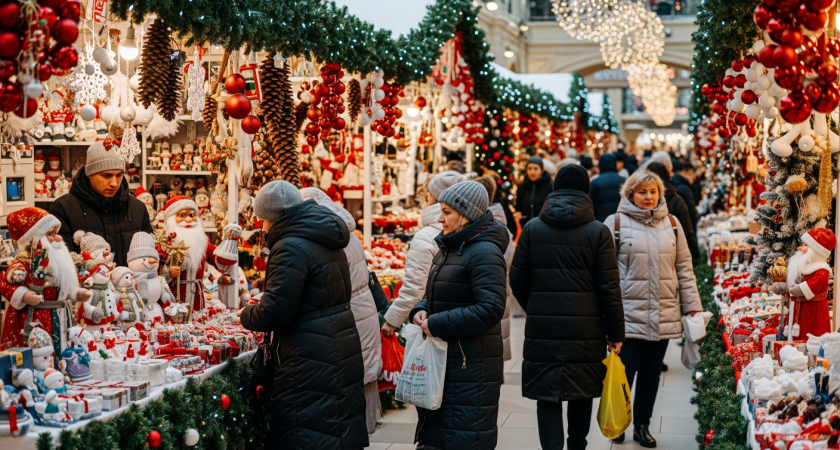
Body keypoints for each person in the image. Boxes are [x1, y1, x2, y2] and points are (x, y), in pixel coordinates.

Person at [238, 181, 368, 449]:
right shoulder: (324, 235)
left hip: (308, 352)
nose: (261, 226)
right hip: (337, 342)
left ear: (271, 217)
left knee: (306, 429)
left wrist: (246, 314)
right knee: (334, 425)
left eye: (262, 219)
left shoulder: (289, 246)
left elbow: (275, 312)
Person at [510, 165, 624, 450]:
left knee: (546, 393)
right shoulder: (599, 232)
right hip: (586, 327)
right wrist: (616, 332)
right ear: (587, 190)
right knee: (581, 390)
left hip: (543, 326)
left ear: (555, 188)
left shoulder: (533, 228)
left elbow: (517, 278)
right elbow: (609, 287)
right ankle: (577, 445)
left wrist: (535, 306)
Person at [605, 171, 703, 448]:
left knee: (650, 372)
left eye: (653, 192)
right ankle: (619, 421)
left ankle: (642, 425)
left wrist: (692, 307)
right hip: (627, 313)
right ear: (630, 194)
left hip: (663, 310)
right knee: (626, 369)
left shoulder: (672, 224)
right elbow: (604, 273)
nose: (648, 197)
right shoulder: (614, 223)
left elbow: (684, 268)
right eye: (642, 192)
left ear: (660, 194)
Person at [409, 181, 508, 449]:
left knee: (461, 437)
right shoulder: (452, 246)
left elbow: (490, 308)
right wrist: (421, 309)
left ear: (465, 215)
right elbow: (438, 291)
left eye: (447, 212)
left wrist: (437, 323)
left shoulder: (484, 252)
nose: (440, 218)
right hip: (447, 359)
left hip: (468, 365)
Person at [300, 187, 381, 436]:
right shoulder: (342, 230)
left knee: (352, 382)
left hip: (349, 314)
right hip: (361, 310)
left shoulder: (326, 235)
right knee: (362, 376)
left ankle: (356, 434)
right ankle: (362, 431)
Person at [382, 171, 465, 335]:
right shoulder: (470, 230)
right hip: (458, 323)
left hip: (429, 322)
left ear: (432, 198)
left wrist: (391, 322)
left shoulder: (426, 237)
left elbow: (414, 288)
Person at [0, 207, 91, 352]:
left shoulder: (57, 263)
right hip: (33, 318)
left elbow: (60, 287)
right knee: (37, 354)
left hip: (59, 317)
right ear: (34, 239)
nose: (59, 239)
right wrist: (23, 295)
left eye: (56, 233)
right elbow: (5, 285)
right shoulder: (23, 265)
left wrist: (75, 293)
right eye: (50, 234)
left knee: (60, 349)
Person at [51, 141, 153, 266]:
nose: (114, 183)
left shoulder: (137, 209)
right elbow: (60, 264)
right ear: (90, 173)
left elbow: (151, 257)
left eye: (119, 175)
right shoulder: (64, 208)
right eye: (107, 175)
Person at [160, 196, 232, 312]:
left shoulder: (203, 242)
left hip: (197, 299)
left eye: (192, 215)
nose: (189, 219)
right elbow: (153, 268)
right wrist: (167, 271)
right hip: (173, 298)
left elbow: (219, 260)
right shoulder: (165, 243)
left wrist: (230, 243)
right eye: (182, 215)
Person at [476, 175, 515, 362]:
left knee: (490, 347)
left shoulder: (489, 227)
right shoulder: (502, 226)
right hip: (500, 291)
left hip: (490, 291)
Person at [646, 162, 700, 265]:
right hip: (673, 254)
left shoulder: (643, 200)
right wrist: (694, 256)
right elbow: (687, 230)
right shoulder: (675, 198)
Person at [515, 156, 552, 229]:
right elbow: (519, 207)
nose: (532, 172)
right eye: (529, 168)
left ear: (541, 170)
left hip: (545, 227)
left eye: (536, 169)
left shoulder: (550, 185)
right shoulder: (522, 187)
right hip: (527, 227)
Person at [589, 153, 625, 223]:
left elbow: (590, 205)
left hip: (600, 222)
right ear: (615, 164)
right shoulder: (624, 181)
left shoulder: (595, 182)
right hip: (620, 222)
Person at [672, 161, 700, 233]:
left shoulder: (674, 182)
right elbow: (692, 213)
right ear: (685, 172)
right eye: (691, 173)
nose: (693, 177)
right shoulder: (685, 189)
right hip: (687, 227)